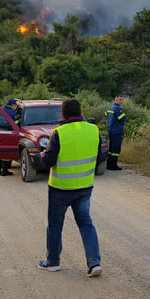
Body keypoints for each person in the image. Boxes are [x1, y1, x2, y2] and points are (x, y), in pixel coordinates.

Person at [37, 99, 102, 277]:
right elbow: (98, 154)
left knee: (55, 226)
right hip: (85, 187)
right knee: (86, 224)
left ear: (62, 114)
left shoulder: (59, 133)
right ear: (81, 112)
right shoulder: (94, 130)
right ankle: (94, 263)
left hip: (60, 188)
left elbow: (48, 161)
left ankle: (53, 262)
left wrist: (42, 155)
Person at [0, 98, 19, 176]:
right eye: (16, 105)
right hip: (7, 134)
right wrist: (18, 120)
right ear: (13, 105)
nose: (16, 107)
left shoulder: (1, 110)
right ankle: (4, 170)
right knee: (6, 153)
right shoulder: (12, 113)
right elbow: (15, 124)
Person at [106, 94, 126, 170]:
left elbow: (106, 115)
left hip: (111, 130)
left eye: (122, 100)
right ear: (116, 100)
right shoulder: (117, 109)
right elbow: (122, 118)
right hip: (116, 131)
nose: (121, 101)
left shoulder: (109, 107)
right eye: (120, 100)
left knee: (111, 148)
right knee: (116, 149)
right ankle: (113, 165)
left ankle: (108, 164)